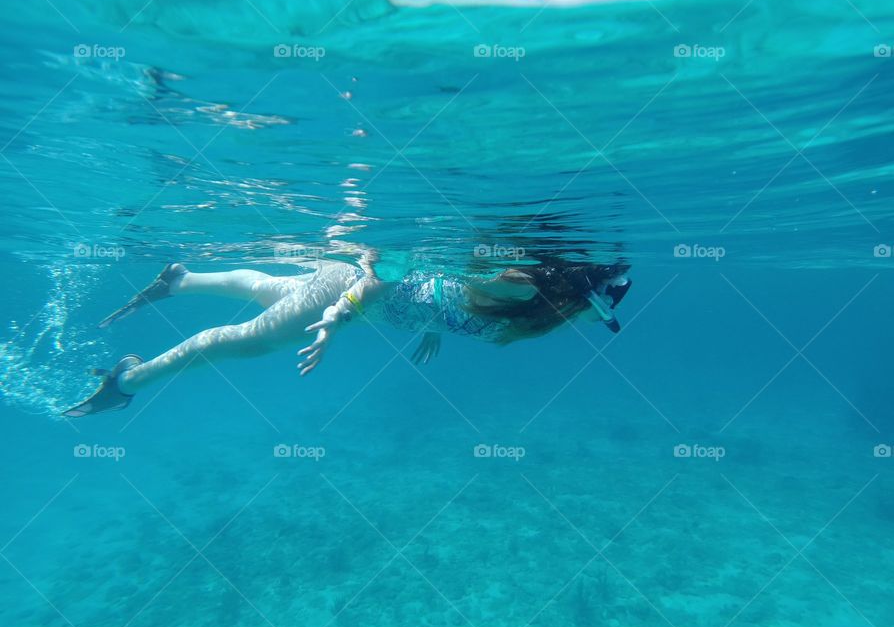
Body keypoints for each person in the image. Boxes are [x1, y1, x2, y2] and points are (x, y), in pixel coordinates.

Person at [63, 254, 631, 417]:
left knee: (270, 291)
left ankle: (183, 280)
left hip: (348, 291)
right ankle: (127, 380)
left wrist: (434, 324)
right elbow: (395, 277)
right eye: (597, 314)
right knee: (240, 342)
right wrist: (335, 319)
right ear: (581, 298)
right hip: (352, 297)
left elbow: (446, 297)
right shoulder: (522, 293)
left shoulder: (528, 311)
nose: (592, 326)